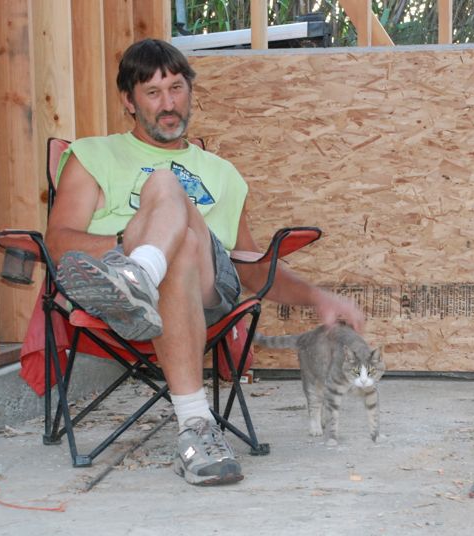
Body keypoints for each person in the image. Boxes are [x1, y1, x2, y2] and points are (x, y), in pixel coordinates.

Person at [45, 39, 365, 486]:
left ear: (190, 93)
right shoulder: (93, 156)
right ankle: (196, 427)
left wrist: (317, 298)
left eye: (176, 88)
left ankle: (142, 276)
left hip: (207, 295)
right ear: (129, 101)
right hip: (112, 293)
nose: (168, 104)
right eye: (153, 93)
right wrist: (131, 242)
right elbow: (59, 242)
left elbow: (252, 269)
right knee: (179, 242)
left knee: (166, 186)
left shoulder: (222, 174)